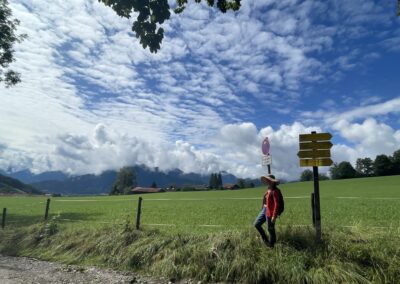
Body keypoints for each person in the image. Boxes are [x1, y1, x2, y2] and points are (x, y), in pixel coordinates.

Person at [254, 174, 281, 248]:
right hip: (265, 210)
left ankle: (272, 246)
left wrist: (274, 216)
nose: (267, 181)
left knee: (270, 229)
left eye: (269, 180)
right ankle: (266, 241)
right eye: (267, 180)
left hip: (271, 212)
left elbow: (277, 204)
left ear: (273, 182)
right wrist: (263, 208)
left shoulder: (275, 191)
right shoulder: (269, 189)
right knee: (256, 224)